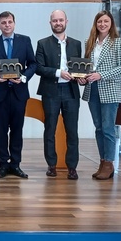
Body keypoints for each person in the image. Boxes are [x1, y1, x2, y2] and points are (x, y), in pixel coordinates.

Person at [0, 11, 37, 179]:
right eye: (3, 22)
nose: (7, 25)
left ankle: (16, 164)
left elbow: (33, 63)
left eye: (9, 22)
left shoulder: (25, 41)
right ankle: (3, 165)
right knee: (1, 130)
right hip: (0, 93)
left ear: (14, 23)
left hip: (19, 93)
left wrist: (24, 77)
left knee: (17, 130)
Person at [78, 10, 121, 180]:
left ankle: (109, 163)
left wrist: (101, 75)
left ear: (111, 23)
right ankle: (102, 161)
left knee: (108, 128)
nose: (102, 24)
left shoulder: (118, 42)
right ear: (96, 24)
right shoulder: (89, 42)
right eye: (99, 21)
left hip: (110, 91)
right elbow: (85, 66)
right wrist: (82, 78)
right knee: (99, 128)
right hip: (92, 90)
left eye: (106, 21)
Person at [35, 10, 83, 180]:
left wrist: (81, 78)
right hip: (50, 92)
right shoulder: (42, 43)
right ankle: (52, 165)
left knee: (72, 130)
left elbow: (79, 68)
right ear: (50, 23)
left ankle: (72, 167)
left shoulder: (76, 43)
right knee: (50, 130)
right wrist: (58, 72)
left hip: (71, 91)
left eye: (60, 20)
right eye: (54, 20)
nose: (58, 23)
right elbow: (38, 68)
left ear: (66, 22)